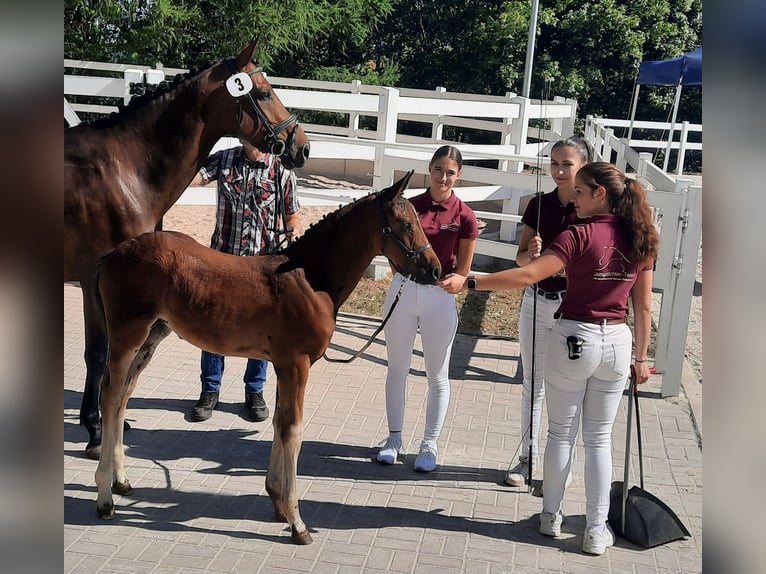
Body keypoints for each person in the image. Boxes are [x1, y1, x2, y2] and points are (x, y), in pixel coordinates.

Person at [439, 162, 658, 555]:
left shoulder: (578, 234)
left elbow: (527, 276)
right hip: (618, 342)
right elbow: (643, 307)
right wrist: (641, 359)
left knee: (561, 433)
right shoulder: (640, 237)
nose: (574, 197)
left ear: (599, 194)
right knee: (599, 439)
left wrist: (470, 281)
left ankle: (550, 517)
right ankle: (594, 528)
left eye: (580, 191)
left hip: (575, 335)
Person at [376, 145, 479, 472]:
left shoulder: (464, 215)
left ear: (458, 175)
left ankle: (429, 444)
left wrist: (456, 281)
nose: (443, 177)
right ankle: (393, 439)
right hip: (404, 291)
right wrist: (400, 273)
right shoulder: (411, 206)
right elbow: (393, 245)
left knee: (437, 375)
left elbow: (463, 269)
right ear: (429, 169)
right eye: (438, 169)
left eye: (450, 172)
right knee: (397, 369)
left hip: (439, 299)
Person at [187, 141, 302, 423]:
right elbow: (193, 178)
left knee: (262, 329)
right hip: (222, 262)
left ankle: (254, 391)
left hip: (262, 267)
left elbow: (293, 216)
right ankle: (209, 390)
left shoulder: (281, 170)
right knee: (214, 322)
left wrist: (293, 232)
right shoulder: (223, 160)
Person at [505, 136, 593, 487]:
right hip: (536, 300)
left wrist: (557, 265)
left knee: (568, 389)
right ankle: (527, 457)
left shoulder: (592, 207)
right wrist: (534, 255)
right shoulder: (539, 204)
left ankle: (561, 465)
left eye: (566, 164)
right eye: (554, 163)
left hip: (573, 310)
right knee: (533, 382)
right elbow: (520, 258)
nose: (558, 170)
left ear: (583, 165)